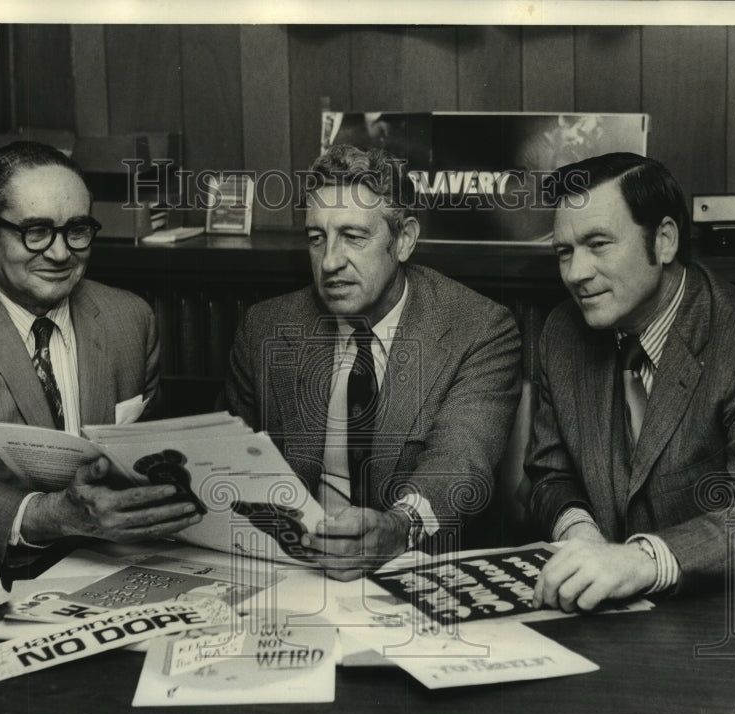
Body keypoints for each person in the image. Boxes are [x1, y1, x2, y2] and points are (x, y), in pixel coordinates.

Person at [0, 141, 201, 568]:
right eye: (35, 231)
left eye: (77, 230)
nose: (60, 252)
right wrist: (49, 517)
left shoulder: (131, 319)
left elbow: (150, 459)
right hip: (1, 575)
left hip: (119, 563)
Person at [526, 152, 735, 611]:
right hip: (593, 617)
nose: (576, 273)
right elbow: (549, 474)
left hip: (715, 623)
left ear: (663, 241)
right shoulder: (562, 332)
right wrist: (579, 533)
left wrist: (640, 561)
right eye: (565, 251)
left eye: (598, 244)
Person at [223, 145, 521, 580]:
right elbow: (229, 463)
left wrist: (398, 529)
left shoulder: (477, 329)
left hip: (413, 571)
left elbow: (459, 464)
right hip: (289, 572)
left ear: (403, 240)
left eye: (354, 237)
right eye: (316, 238)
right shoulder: (265, 327)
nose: (329, 262)